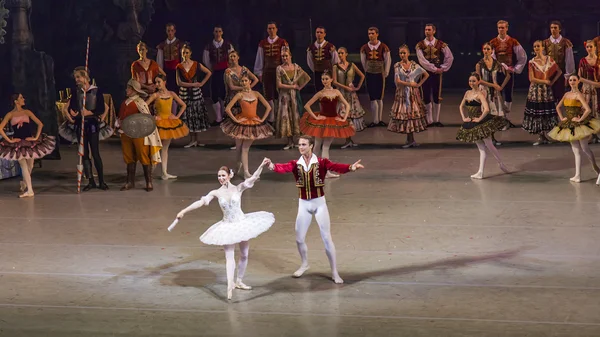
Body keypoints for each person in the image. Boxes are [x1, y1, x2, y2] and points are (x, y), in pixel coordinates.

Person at [267, 135, 365, 283]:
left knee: (326, 238)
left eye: (304, 144)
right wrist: (272, 166)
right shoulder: (296, 163)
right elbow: (283, 168)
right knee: (299, 239)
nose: (300, 147)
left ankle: (334, 272)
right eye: (299, 144)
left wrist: (351, 167)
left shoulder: (321, 162)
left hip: (319, 204)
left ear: (311, 146)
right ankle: (305, 264)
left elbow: (335, 167)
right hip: (304, 205)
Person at [175, 158, 275, 300]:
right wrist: (184, 211)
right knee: (229, 257)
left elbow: (253, 178)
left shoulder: (238, 188)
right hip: (227, 226)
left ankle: (239, 280)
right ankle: (230, 285)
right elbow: (201, 202)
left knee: (245, 254)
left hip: (241, 223)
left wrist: (261, 165)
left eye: (223, 175)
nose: (221, 178)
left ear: (230, 175)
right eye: (219, 176)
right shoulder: (216, 192)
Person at [299, 70, 354, 178]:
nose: (324, 81)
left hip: (333, 121)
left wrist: (344, 119)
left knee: (324, 146)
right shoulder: (320, 93)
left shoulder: (337, 92)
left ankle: (321, 171)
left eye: (326, 79)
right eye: (323, 79)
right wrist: (315, 117)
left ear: (331, 80)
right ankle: (314, 170)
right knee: (317, 146)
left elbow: (347, 105)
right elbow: (307, 105)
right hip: (321, 121)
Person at [0, 93, 55, 198]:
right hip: (18, 143)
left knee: (30, 166)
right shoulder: (10, 114)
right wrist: (9, 140)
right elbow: (0, 128)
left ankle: (24, 183)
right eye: (21, 98)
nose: (23, 99)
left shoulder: (27, 112)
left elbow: (40, 124)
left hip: (30, 142)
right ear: (16, 101)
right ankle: (30, 190)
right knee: (23, 166)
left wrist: (35, 138)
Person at [456, 73, 510, 179]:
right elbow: (461, 106)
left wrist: (479, 119)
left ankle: (501, 163)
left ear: (478, 81)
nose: (471, 83)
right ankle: (481, 172)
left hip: (481, 122)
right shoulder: (467, 93)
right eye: (470, 81)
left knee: (489, 145)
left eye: (474, 81)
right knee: (481, 148)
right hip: (471, 123)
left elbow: (486, 109)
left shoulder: (480, 94)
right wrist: (463, 118)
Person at [547, 75, 600, 182]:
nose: (572, 82)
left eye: (574, 80)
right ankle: (578, 175)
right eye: (570, 80)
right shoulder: (567, 94)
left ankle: (596, 168)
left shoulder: (578, 95)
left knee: (585, 148)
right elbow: (558, 107)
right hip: (569, 124)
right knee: (576, 150)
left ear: (578, 81)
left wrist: (580, 120)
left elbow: (588, 109)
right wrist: (562, 118)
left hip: (578, 125)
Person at [221, 74, 273, 178]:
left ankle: (246, 172)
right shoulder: (239, 95)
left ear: (250, 81)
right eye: (242, 81)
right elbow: (227, 108)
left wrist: (262, 119)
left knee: (245, 148)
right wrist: (235, 119)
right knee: (238, 149)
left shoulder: (256, 94)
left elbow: (268, 107)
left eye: (245, 80)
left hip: (253, 123)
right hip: (241, 122)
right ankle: (237, 168)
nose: (244, 83)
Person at [67, 66, 109, 191]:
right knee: (84, 154)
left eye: (78, 77)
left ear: (85, 77)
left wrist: (90, 112)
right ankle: (90, 181)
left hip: (92, 125)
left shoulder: (96, 91)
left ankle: (101, 181)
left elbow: (101, 108)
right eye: (75, 78)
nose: (77, 80)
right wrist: (74, 112)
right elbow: (73, 106)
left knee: (95, 153)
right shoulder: (76, 92)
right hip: (81, 124)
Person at [116, 79, 162, 192]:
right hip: (126, 134)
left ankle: (148, 182)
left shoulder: (140, 102)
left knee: (143, 156)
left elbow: (146, 118)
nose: (126, 90)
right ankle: (130, 182)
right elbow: (120, 117)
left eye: (128, 88)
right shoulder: (124, 103)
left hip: (138, 134)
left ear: (133, 90)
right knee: (129, 157)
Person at [146, 74, 189, 180]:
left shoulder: (171, 94)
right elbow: (144, 106)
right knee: (155, 148)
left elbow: (183, 105)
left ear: (164, 82)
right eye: (156, 82)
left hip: (169, 123)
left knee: (165, 149)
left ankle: (164, 172)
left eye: (159, 82)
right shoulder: (155, 95)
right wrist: (153, 117)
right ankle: (151, 170)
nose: (157, 84)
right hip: (159, 123)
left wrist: (176, 116)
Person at [388, 45, 429, 148]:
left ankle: (411, 139)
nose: (402, 55)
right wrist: (410, 84)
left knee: (411, 114)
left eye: (404, 53)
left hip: (412, 94)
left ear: (408, 53)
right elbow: (398, 81)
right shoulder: (397, 65)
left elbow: (426, 74)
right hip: (402, 93)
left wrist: (418, 84)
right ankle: (409, 139)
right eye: (401, 53)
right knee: (405, 114)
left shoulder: (414, 65)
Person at [522, 40, 562, 145]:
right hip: (536, 90)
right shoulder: (532, 62)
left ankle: (546, 134)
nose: (536, 48)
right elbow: (532, 78)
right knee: (538, 111)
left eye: (538, 46)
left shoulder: (549, 59)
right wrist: (545, 81)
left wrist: (551, 82)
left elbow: (559, 71)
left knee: (546, 110)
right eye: (535, 46)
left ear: (542, 47)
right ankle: (541, 136)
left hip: (546, 90)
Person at [489, 20, 527, 126]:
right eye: (499, 27)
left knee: (508, 94)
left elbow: (522, 56)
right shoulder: (492, 42)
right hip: (496, 72)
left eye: (503, 27)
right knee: (497, 94)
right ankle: (499, 117)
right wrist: (497, 67)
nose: (501, 29)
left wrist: (514, 69)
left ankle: (506, 118)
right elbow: (491, 57)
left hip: (508, 73)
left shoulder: (513, 41)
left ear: (507, 28)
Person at [415, 23, 454, 127]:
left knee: (437, 95)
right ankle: (429, 120)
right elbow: (422, 60)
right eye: (425, 30)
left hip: (437, 73)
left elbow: (449, 57)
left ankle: (436, 120)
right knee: (426, 95)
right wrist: (434, 68)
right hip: (425, 73)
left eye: (429, 30)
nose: (427, 31)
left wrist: (442, 68)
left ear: (434, 31)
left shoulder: (441, 44)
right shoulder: (420, 45)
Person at [475, 42, 512, 145]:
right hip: (484, 91)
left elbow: (508, 75)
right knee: (486, 113)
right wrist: (493, 85)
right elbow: (479, 80)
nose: (486, 51)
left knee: (494, 114)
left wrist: (501, 87)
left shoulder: (497, 64)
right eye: (484, 49)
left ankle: (491, 137)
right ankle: (487, 137)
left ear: (492, 51)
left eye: (488, 49)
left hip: (494, 93)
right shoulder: (479, 64)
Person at [177, 44, 212, 148]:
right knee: (188, 115)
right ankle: (191, 139)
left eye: (187, 52)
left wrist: (201, 83)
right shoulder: (179, 66)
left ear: (190, 53)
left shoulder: (196, 64)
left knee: (195, 115)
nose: (185, 55)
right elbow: (179, 82)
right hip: (185, 93)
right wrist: (193, 84)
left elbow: (208, 72)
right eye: (183, 52)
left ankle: (196, 140)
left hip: (196, 93)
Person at [254, 21, 289, 123]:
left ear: (277, 29)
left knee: (279, 93)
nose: (271, 30)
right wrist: (259, 72)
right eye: (269, 28)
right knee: (269, 94)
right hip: (267, 71)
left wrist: (286, 71)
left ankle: (279, 115)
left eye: (273, 28)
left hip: (279, 71)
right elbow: (259, 58)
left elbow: (286, 58)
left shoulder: (283, 42)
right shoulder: (262, 43)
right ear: (267, 30)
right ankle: (271, 116)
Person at [224, 51, 260, 150]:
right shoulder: (228, 71)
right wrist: (244, 89)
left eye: (234, 56)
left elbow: (255, 79)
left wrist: (249, 89)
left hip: (245, 98)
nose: (232, 58)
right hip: (234, 98)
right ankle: (237, 141)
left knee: (245, 119)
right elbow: (231, 86)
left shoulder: (244, 69)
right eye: (230, 56)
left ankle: (245, 139)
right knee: (236, 120)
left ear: (238, 57)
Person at [275, 48, 310, 149]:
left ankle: (298, 141)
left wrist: (299, 87)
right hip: (285, 97)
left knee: (296, 115)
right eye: (283, 56)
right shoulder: (279, 68)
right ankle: (289, 141)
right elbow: (279, 84)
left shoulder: (296, 67)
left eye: (286, 56)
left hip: (294, 96)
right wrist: (292, 87)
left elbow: (305, 77)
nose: (284, 58)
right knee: (286, 117)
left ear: (290, 56)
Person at [333, 47, 366, 148]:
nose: (340, 55)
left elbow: (362, 75)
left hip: (351, 94)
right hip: (342, 93)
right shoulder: (335, 66)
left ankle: (349, 139)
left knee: (351, 115)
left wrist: (358, 87)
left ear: (346, 54)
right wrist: (346, 87)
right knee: (344, 115)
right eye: (339, 53)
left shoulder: (351, 65)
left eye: (342, 53)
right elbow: (334, 81)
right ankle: (347, 139)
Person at [203, 25, 235, 126]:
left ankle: (225, 116)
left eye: (219, 31)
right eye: (216, 31)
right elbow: (206, 60)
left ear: (222, 32)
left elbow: (232, 58)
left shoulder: (228, 45)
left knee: (225, 94)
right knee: (215, 95)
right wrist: (211, 69)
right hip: (215, 72)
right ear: (213, 33)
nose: (217, 34)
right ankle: (218, 118)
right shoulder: (209, 46)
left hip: (226, 72)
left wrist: (230, 69)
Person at [360, 27, 391, 128]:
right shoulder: (364, 47)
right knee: (372, 97)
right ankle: (375, 120)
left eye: (372, 33)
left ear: (377, 34)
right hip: (370, 73)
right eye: (369, 33)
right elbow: (363, 61)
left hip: (380, 73)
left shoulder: (383, 47)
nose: (371, 35)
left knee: (379, 96)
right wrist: (367, 70)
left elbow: (387, 60)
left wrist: (385, 72)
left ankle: (380, 119)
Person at [542, 21, 575, 102]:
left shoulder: (565, 42)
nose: (553, 29)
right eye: (552, 28)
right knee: (549, 95)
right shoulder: (545, 43)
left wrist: (568, 75)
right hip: (549, 72)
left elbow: (569, 59)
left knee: (560, 95)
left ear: (559, 29)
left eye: (555, 28)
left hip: (561, 72)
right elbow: (543, 59)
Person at [578, 40, 600, 143]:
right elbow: (580, 77)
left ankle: (596, 133)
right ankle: (591, 134)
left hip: (597, 89)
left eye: (591, 46)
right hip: (587, 89)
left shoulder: (599, 61)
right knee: (588, 110)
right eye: (587, 47)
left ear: (595, 47)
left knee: (596, 110)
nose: (589, 49)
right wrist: (591, 83)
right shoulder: (583, 60)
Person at [306, 26, 339, 92]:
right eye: (317, 32)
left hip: (328, 72)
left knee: (328, 90)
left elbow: (335, 60)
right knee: (318, 91)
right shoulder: (311, 48)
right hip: (317, 73)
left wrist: (331, 70)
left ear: (324, 34)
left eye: (321, 32)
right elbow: (310, 62)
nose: (319, 34)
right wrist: (315, 69)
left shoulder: (330, 46)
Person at [156, 23, 184, 91]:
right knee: (167, 86)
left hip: (176, 69)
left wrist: (183, 70)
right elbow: (160, 60)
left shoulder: (180, 44)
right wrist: (161, 71)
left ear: (175, 31)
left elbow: (183, 58)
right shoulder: (162, 45)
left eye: (172, 30)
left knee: (176, 86)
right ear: (166, 31)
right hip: (166, 70)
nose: (170, 33)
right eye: (168, 31)